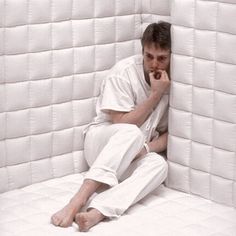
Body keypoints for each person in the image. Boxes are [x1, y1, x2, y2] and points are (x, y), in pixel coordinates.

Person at [51, 21, 171, 232]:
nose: (154, 64)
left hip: (132, 153)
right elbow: (122, 123)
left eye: (162, 58)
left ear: (171, 57)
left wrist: (145, 150)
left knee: (159, 166)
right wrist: (155, 95)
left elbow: (172, 134)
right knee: (131, 132)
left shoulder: (175, 83)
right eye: (148, 56)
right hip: (100, 145)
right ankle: (79, 198)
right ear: (142, 52)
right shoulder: (123, 73)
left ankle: (98, 212)